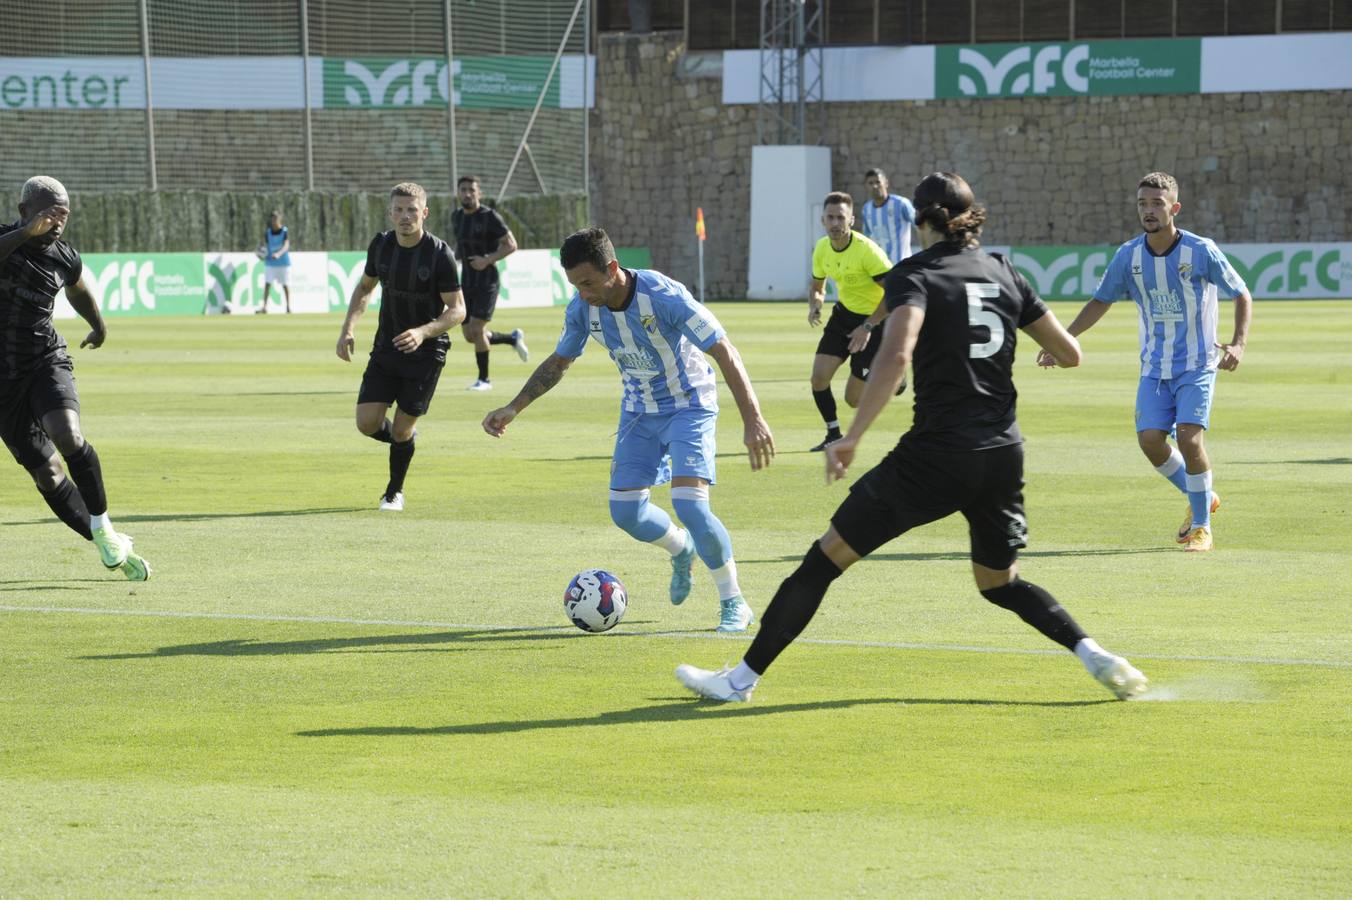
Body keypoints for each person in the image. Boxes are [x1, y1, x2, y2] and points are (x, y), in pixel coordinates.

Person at [676, 172, 1147, 702]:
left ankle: (739, 681)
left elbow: (896, 354)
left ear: (921, 220)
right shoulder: (1002, 270)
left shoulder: (915, 273)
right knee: (1000, 583)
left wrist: (851, 436)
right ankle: (1095, 654)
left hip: (937, 455)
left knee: (822, 561)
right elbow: (1069, 352)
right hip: (1001, 453)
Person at [482, 227, 775, 632]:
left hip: (690, 405)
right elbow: (559, 363)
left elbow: (723, 349)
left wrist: (753, 419)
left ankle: (734, 602)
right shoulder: (583, 308)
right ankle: (680, 548)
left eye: (587, 282)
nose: (582, 293)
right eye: (574, 284)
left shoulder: (664, 296)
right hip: (638, 411)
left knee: (690, 505)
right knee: (625, 513)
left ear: (613, 269)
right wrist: (514, 407)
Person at [1038, 172, 1252, 553]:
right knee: (1150, 441)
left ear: (1175, 207)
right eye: (1142, 204)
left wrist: (1238, 343)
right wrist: (1063, 340)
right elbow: (1100, 300)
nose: (1149, 210)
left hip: (1197, 363)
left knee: (1189, 437)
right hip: (1155, 366)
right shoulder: (1129, 255)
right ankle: (1203, 495)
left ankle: (1201, 525)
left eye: (1156, 203)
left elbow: (1241, 293)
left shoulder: (1200, 251)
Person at [0, 176, 150, 580]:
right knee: (47, 474)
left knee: (68, 435)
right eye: (49, 212)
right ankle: (105, 539)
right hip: (3, 382)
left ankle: (102, 522)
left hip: (45, 360)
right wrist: (22, 234)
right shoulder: (4, 240)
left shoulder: (64, 256)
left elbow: (78, 290)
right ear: (24, 211)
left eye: (63, 213)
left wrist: (98, 326)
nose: (57, 221)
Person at [336, 182, 466, 511]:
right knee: (366, 423)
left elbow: (458, 310)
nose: (405, 216)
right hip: (387, 349)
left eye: (411, 210)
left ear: (424, 213)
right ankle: (404, 441)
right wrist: (348, 328)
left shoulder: (439, 255)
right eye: (398, 210)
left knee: (403, 427)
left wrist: (424, 332)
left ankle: (393, 491)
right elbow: (365, 288)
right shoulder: (381, 246)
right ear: (390, 212)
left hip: (426, 354)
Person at [807, 191, 898, 451]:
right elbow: (817, 285)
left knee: (853, 400)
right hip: (844, 316)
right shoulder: (822, 248)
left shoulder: (867, 251)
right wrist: (816, 303)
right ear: (823, 220)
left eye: (840, 218)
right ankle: (833, 434)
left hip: (875, 321)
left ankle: (895, 378)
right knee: (818, 379)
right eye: (830, 217)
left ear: (851, 220)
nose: (835, 223)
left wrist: (868, 326)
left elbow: (894, 293)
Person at [451, 175, 526, 391]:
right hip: (465, 281)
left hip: (487, 281)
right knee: (469, 336)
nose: (467, 193)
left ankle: (484, 380)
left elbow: (511, 245)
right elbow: (460, 245)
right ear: (458, 193)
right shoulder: (456, 217)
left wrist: (487, 260)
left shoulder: (490, 216)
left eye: (471, 190)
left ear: (479, 193)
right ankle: (512, 338)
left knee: (476, 328)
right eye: (463, 189)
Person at [858, 167, 917, 265]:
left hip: (901, 265)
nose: (875, 186)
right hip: (879, 267)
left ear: (886, 183)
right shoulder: (866, 209)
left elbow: (919, 225)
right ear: (866, 186)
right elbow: (867, 237)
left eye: (878, 182)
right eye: (870, 183)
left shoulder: (901, 204)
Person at [257, 210, 292, 314]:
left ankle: (288, 307)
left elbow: (286, 245)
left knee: (285, 285)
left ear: (279, 219)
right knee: (267, 284)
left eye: (276, 218)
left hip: (283, 263)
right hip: (271, 263)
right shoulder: (268, 232)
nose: (274, 221)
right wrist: (261, 254)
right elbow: (265, 247)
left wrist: (278, 254)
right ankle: (264, 307)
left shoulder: (284, 231)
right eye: (272, 219)